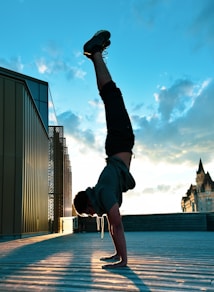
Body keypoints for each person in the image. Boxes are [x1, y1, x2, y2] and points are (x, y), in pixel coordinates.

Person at [73, 30, 135, 269]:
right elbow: (112, 225)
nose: (93, 216)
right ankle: (95, 55)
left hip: (120, 142)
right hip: (117, 144)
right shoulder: (101, 193)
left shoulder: (104, 194)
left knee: (111, 95)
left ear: (88, 205)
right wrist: (117, 256)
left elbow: (116, 225)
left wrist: (124, 261)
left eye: (89, 214)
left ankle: (95, 53)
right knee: (110, 96)